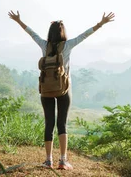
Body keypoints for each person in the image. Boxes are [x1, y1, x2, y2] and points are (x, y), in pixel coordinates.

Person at [8, 10, 115, 170]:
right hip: (64, 89)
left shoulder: (44, 45)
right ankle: (63, 160)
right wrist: (101, 23)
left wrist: (18, 20)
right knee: (62, 124)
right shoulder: (68, 45)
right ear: (63, 32)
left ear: (50, 33)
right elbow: (85, 35)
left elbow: (31, 33)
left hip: (46, 90)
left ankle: (48, 160)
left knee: (49, 123)